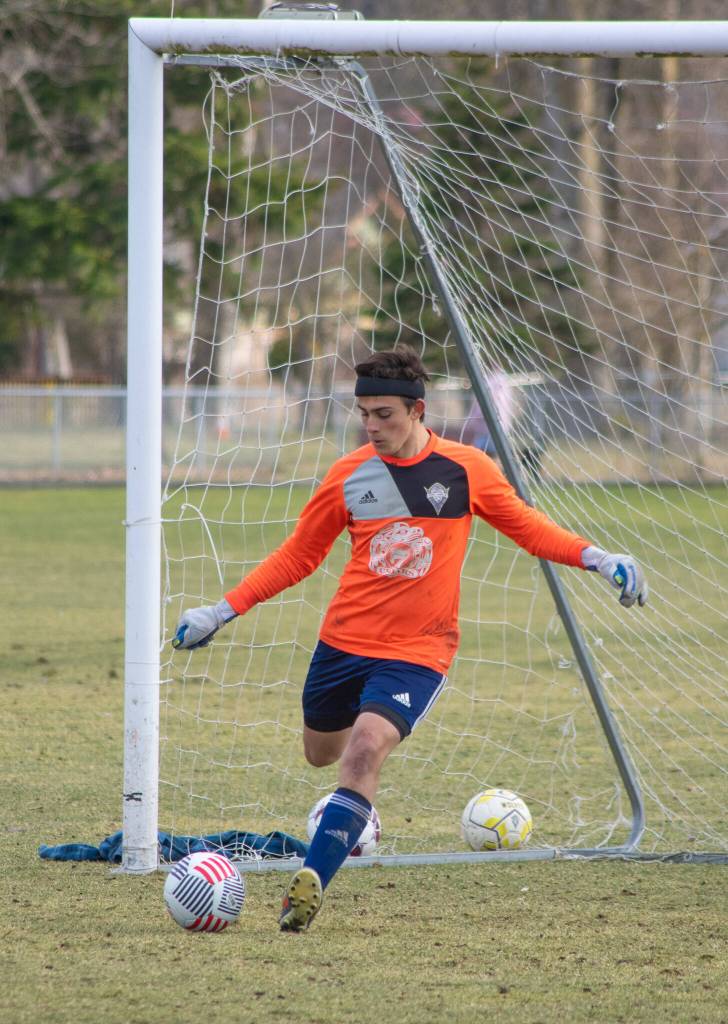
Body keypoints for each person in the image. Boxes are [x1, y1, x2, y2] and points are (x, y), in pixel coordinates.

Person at [172, 345, 647, 933]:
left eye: (384, 415)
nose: (371, 427)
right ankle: (350, 811)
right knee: (321, 753)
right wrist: (221, 611)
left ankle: (311, 884)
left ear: (418, 411)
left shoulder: (466, 469)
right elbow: (298, 556)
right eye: (364, 414)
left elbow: (528, 527)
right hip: (343, 644)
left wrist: (598, 558)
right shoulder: (348, 476)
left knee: (364, 751)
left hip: (419, 651)